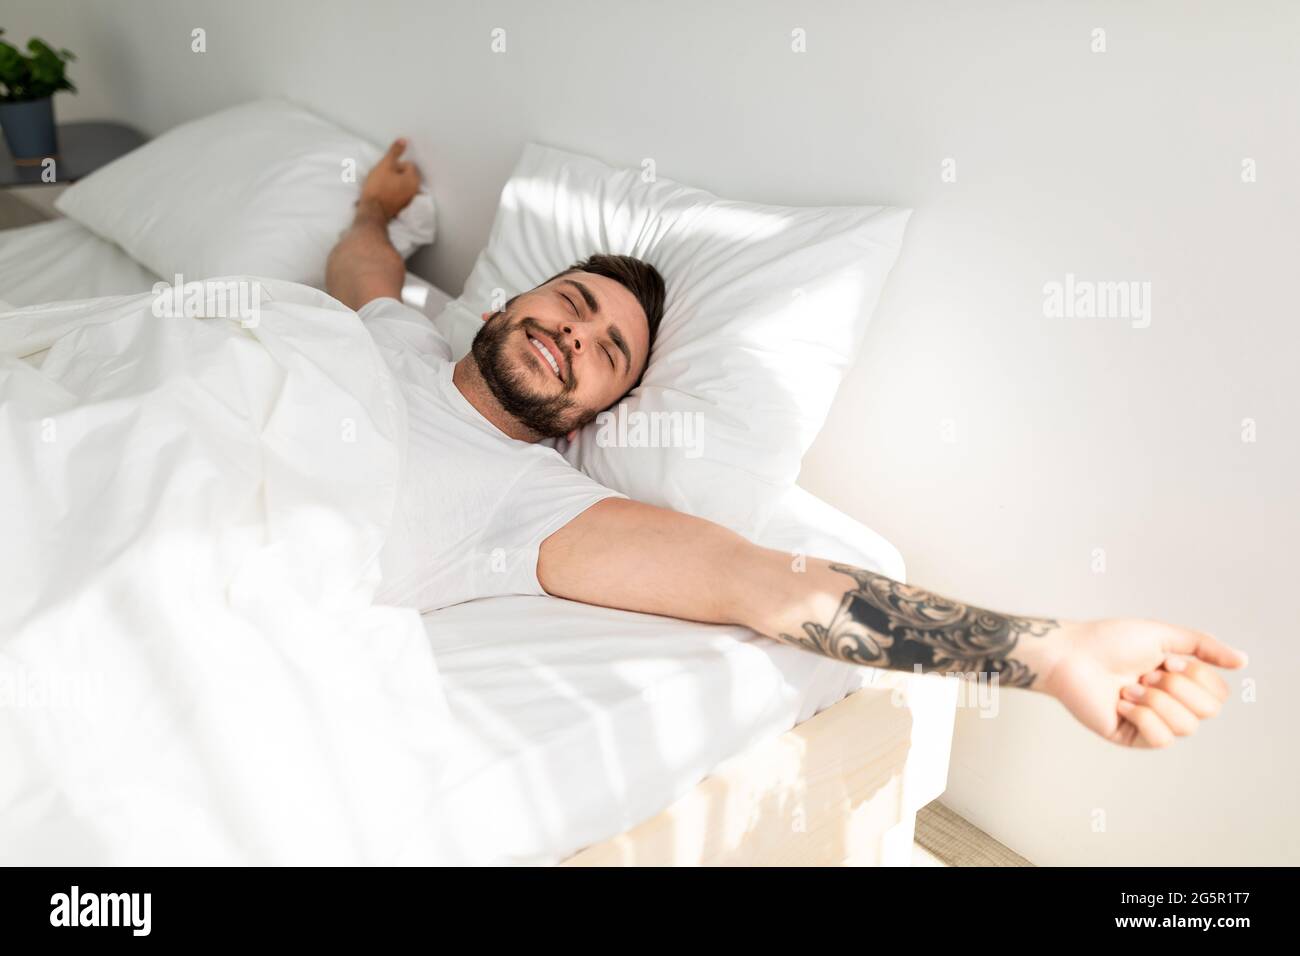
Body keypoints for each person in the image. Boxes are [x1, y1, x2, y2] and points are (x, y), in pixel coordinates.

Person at [325, 140, 1248, 750]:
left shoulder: (528, 501)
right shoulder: (397, 337)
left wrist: (1046, 654)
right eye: (572, 305)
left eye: (609, 352)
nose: (577, 335)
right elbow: (368, 270)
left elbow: (769, 583)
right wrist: (375, 209)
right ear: (498, 308)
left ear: (586, 420)